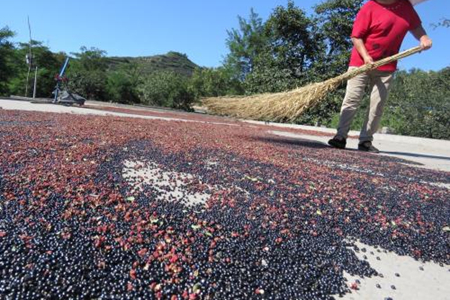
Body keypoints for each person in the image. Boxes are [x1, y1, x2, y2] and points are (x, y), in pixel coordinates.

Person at [328, 0, 432, 153]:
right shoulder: (369, 7)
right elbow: (356, 37)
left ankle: (365, 141)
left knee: (377, 105)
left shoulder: (405, 7)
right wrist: (366, 57)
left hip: (386, 65)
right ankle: (340, 137)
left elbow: (416, 26)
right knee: (352, 99)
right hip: (361, 63)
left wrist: (424, 38)